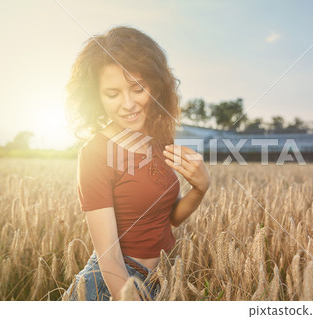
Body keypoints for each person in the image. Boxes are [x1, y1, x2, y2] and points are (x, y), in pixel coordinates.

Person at [62, 26, 210, 301]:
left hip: (161, 279)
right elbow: (109, 258)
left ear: (155, 85)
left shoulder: (161, 137)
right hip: (112, 287)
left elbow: (171, 218)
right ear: (97, 97)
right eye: (112, 94)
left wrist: (200, 188)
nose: (128, 104)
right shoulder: (95, 154)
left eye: (137, 88)